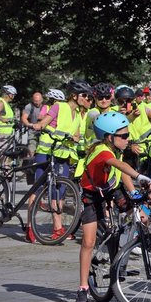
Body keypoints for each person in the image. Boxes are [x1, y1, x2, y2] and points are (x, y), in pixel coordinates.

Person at [73, 111, 151, 302]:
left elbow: (120, 171)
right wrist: (139, 175)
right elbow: (117, 164)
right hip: (92, 196)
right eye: (124, 136)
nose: (128, 139)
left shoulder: (116, 149)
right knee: (89, 242)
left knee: (140, 213)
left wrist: (134, 190)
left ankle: (139, 241)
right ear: (110, 137)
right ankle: (83, 287)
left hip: (112, 191)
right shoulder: (102, 151)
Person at [29, 81, 90, 242]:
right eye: (84, 95)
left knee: (60, 190)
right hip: (46, 152)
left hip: (63, 154)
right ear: (74, 95)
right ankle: (30, 226)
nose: (87, 98)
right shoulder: (59, 107)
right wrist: (39, 126)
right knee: (38, 188)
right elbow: (43, 123)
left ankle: (58, 228)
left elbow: (76, 135)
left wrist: (76, 139)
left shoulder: (77, 114)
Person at [21, 91, 45, 156]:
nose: (37, 103)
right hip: (33, 131)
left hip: (43, 132)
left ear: (42, 99)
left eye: (39, 101)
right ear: (32, 100)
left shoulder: (46, 106)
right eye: (35, 101)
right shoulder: (29, 106)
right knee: (31, 149)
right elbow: (24, 118)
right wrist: (30, 125)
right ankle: (30, 163)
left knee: (42, 151)